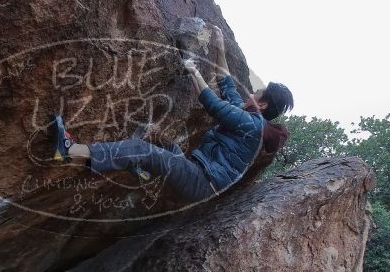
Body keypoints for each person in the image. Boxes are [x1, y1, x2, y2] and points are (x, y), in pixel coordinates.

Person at [49, 26, 293, 202]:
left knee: (141, 149)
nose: (252, 91)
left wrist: (193, 72)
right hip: (194, 169)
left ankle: (68, 150)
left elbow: (215, 106)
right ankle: (139, 167)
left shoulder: (251, 126)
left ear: (261, 105)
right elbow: (226, 83)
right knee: (160, 140)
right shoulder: (247, 116)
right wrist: (220, 48)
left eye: (257, 92)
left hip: (201, 181)